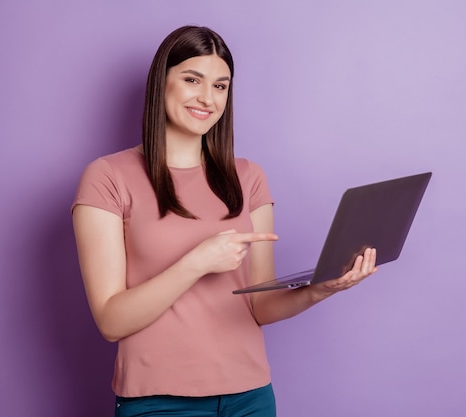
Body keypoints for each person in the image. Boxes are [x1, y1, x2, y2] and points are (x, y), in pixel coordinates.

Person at [72, 25, 378, 417]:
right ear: (160, 83)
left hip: (250, 396)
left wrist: (323, 289)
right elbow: (111, 321)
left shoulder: (248, 177)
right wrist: (197, 263)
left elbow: (261, 306)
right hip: (159, 403)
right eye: (192, 80)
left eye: (220, 86)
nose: (207, 98)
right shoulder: (107, 176)